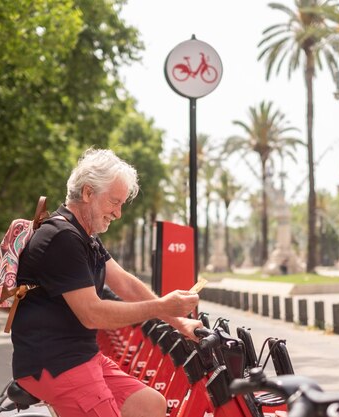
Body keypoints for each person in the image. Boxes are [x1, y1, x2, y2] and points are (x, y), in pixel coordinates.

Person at [10, 148, 202, 417]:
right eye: (114, 202)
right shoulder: (62, 238)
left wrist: (179, 322)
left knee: (150, 405)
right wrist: (161, 307)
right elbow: (92, 314)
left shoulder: (84, 236)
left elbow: (125, 284)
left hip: (81, 356)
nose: (119, 213)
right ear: (88, 193)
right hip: (54, 363)